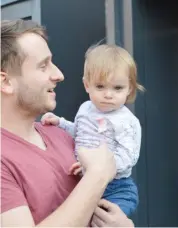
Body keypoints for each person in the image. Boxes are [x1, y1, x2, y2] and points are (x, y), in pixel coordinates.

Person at [1, 19, 133, 227]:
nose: (59, 75)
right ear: (6, 82)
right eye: (43, 66)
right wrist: (97, 176)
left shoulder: (63, 135)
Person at [40, 44, 144, 217]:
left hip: (116, 188)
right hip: (82, 182)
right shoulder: (86, 108)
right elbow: (80, 132)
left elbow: (128, 157)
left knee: (104, 220)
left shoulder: (126, 121)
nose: (108, 94)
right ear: (87, 85)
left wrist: (95, 168)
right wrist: (61, 123)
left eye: (117, 88)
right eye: (100, 86)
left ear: (129, 89)